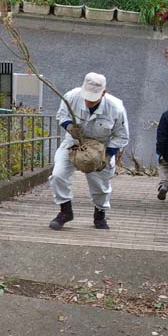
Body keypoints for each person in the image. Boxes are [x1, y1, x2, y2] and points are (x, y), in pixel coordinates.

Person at [49, 72, 129, 230]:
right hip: (74, 142)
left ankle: (100, 215)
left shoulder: (116, 108)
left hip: (101, 147)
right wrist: (69, 126)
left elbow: (122, 136)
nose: (88, 102)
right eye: (87, 97)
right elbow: (61, 114)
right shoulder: (71, 96)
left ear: (104, 93)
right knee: (58, 174)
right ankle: (65, 211)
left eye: (93, 98)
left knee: (100, 185)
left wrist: (107, 156)